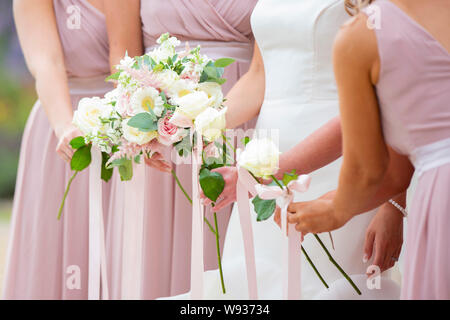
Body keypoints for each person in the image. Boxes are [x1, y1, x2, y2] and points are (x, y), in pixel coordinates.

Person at [170, 0, 404, 300]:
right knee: (254, 286)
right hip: (265, 155)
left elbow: (393, 93)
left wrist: (392, 205)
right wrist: (193, 123)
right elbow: (258, 77)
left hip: (346, 149)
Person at [287, 0, 450, 299]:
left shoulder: (361, 36)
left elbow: (368, 170)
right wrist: (332, 199)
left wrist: (336, 211)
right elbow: (397, 174)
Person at [106, 0, 259, 299]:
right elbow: (122, 53)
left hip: (246, 121)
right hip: (159, 135)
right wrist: (141, 130)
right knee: (160, 254)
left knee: (238, 258)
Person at [2, 0, 140, 299]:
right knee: (70, 248)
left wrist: (132, 124)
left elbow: (129, 57)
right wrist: (66, 127)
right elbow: (46, 63)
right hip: (63, 119)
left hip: (131, 120)